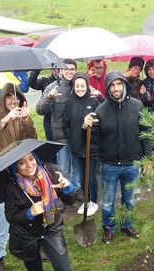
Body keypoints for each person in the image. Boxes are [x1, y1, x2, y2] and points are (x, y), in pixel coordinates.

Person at [3, 150, 83, 271]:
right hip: (27, 234)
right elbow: (11, 216)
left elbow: (71, 200)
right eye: (22, 163)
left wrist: (67, 187)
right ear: (15, 167)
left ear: (36, 158)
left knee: (64, 270)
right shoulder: (12, 187)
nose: (29, 165)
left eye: (31, 159)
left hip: (51, 229)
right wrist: (29, 213)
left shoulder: (52, 172)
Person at [83, 71, 152, 243]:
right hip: (109, 165)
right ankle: (108, 227)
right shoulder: (101, 110)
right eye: (112, 85)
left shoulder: (137, 106)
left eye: (118, 84)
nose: (116, 88)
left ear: (124, 85)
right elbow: (94, 139)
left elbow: (146, 133)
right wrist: (86, 128)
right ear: (108, 88)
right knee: (107, 201)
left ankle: (126, 224)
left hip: (132, 163)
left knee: (129, 199)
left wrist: (148, 157)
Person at [0, 82, 37, 271]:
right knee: (4, 217)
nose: (14, 101)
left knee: (25, 211)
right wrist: (5, 120)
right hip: (1, 172)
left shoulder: (21, 117)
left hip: (20, 171)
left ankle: (25, 248)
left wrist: (27, 120)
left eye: (17, 98)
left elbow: (32, 139)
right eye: (10, 98)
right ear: (3, 99)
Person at [63, 72, 103, 217]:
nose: (80, 88)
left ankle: (93, 201)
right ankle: (86, 201)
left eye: (83, 85)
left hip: (90, 146)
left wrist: (89, 132)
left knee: (91, 176)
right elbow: (66, 123)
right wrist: (72, 137)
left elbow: (100, 122)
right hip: (77, 146)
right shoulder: (70, 102)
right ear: (74, 86)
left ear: (87, 86)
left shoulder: (93, 101)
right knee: (81, 177)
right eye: (77, 86)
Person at [36, 59, 78, 176]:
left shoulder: (80, 85)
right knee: (63, 172)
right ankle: (64, 194)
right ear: (61, 70)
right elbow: (39, 110)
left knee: (77, 171)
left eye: (72, 69)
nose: (70, 72)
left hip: (79, 137)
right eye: (66, 69)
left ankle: (79, 193)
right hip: (62, 138)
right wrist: (48, 98)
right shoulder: (52, 87)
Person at [29, 69, 59, 141]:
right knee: (52, 143)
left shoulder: (66, 82)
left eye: (59, 69)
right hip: (49, 119)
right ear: (51, 70)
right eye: (55, 69)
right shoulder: (45, 80)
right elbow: (32, 83)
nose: (57, 71)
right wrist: (36, 70)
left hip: (61, 118)